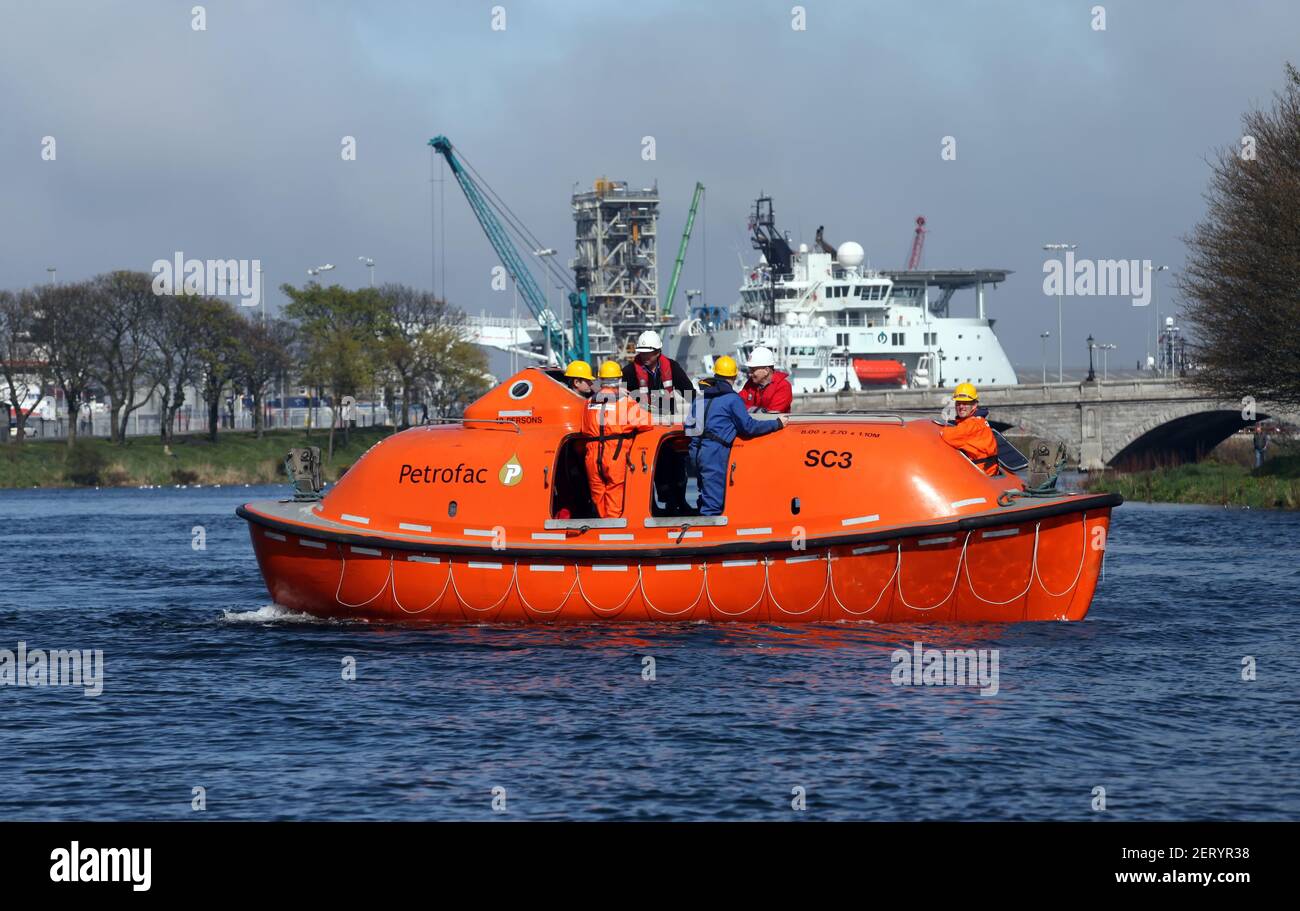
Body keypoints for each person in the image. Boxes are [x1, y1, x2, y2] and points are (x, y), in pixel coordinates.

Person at [686, 355, 788, 516]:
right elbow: (748, 427)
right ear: (733, 377)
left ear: (715, 375)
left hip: (694, 452)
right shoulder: (732, 399)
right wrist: (776, 423)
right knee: (714, 504)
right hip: (714, 452)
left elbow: (689, 428)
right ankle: (708, 537)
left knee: (703, 493)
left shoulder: (700, 399)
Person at [622, 329, 694, 513]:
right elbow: (620, 397)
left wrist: (699, 411)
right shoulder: (630, 372)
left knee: (678, 466)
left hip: (669, 428)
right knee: (654, 469)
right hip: (645, 430)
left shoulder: (672, 367)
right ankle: (656, 505)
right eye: (642, 352)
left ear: (658, 352)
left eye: (648, 352)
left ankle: (679, 502)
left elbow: (688, 391)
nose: (644, 356)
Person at [582, 360, 654, 519]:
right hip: (615, 453)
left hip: (592, 455)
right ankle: (612, 528)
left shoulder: (588, 402)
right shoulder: (625, 402)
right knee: (615, 490)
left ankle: (602, 524)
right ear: (620, 380)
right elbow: (647, 423)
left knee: (597, 491)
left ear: (600, 380)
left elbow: (584, 428)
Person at [939, 382, 999, 477]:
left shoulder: (970, 425)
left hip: (981, 473)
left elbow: (946, 435)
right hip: (990, 470)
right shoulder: (980, 420)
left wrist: (942, 428)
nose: (961, 406)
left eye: (965, 403)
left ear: (974, 405)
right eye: (958, 403)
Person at [738, 346, 793, 413]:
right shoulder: (751, 383)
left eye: (753, 370)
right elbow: (736, 403)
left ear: (766, 370)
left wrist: (749, 410)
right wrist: (756, 410)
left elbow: (772, 415)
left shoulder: (783, 386)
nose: (750, 374)